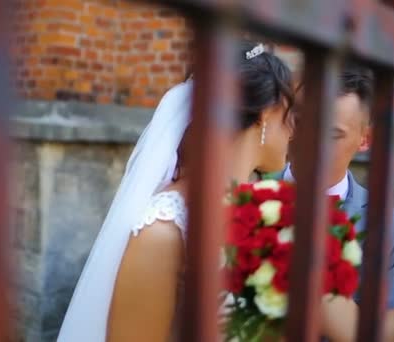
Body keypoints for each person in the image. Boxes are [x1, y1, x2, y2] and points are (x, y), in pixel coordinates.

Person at [57, 41, 297, 342]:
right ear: (266, 113)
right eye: (290, 113)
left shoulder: (262, 211)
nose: (294, 129)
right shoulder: (164, 231)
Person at [285, 65, 394, 309]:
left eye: (332, 134)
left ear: (365, 140)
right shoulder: (247, 186)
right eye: (300, 123)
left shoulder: (392, 230)